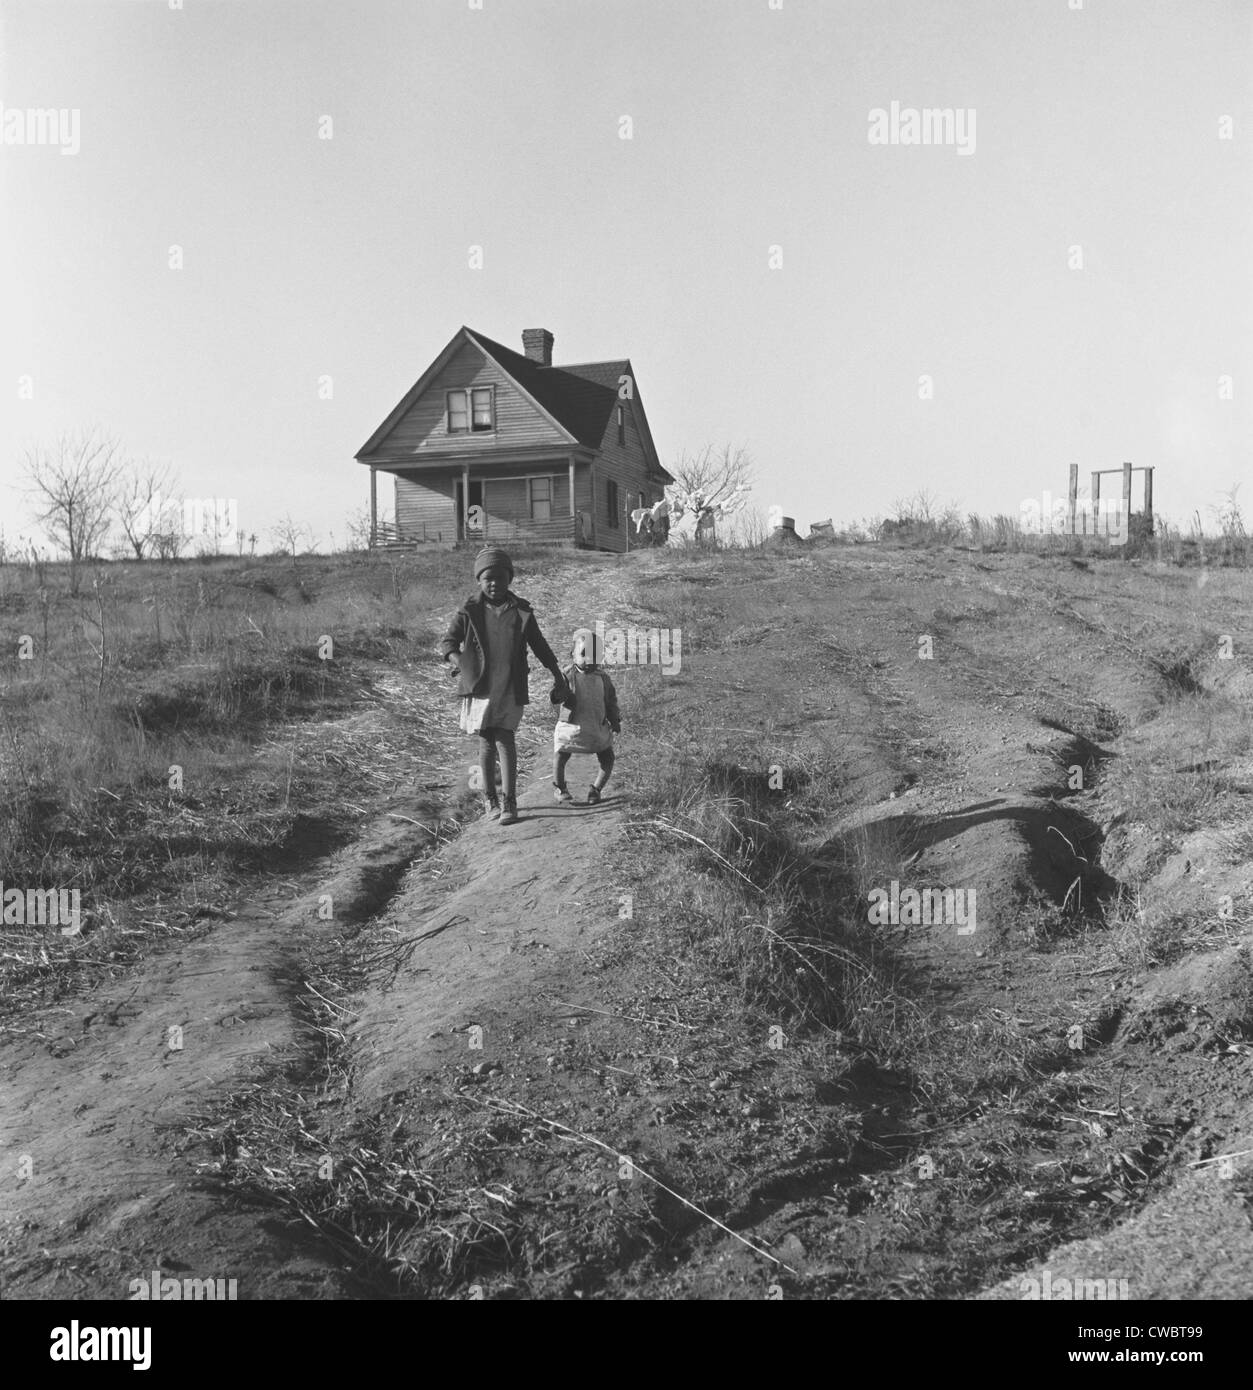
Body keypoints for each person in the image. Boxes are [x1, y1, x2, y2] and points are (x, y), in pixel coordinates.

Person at [440, 547, 564, 825]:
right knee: (486, 742)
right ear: (479, 581)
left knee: (506, 739)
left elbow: (539, 645)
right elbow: (448, 643)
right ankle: (490, 800)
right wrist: (461, 663)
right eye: (488, 579)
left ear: (510, 579)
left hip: (510, 686)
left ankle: (510, 802)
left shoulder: (521, 612)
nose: (494, 584)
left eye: (500, 578)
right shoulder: (470, 610)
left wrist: (557, 673)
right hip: (481, 688)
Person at [552, 628, 621, 804]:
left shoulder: (603, 678)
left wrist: (614, 720)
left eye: (595, 655)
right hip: (572, 728)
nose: (589, 659)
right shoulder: (567, 675)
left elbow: (610, 701)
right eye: (584, 654)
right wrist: (559, 693)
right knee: (561, 755)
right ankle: (561, 788)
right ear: (572, 655)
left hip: (595, 728)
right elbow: (554, 696)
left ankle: (595, 790)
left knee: (607, 757)